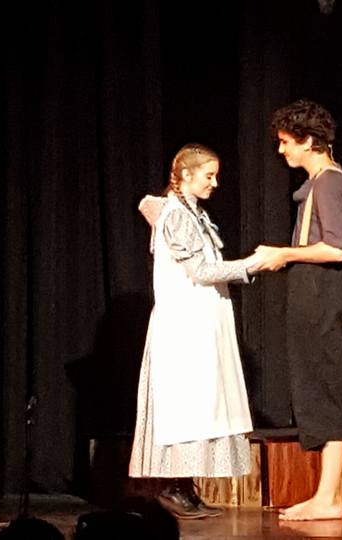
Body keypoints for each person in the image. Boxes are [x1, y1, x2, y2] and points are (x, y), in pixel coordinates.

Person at [128, 143, 265, 520]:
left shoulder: (193, 213)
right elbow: (200, 271)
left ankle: (184, 486)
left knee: (201, 405)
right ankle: (171, 487)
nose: (215, 183)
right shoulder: (176, 215)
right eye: (209, 176)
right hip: (184, 326)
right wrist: (251, 265)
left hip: (201, 322)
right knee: (186, 405)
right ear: (186, 175)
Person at [257, 99, 342, 521]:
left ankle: (329, 498)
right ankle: (324, 495)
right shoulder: (319, 181)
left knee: (326, 384)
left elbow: (337, 248)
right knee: (314, 384)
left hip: (326, 290)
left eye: (286, 142)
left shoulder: (330, 182)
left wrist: (283, 253)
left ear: (308, 141)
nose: (282, 150)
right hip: (313, 288)